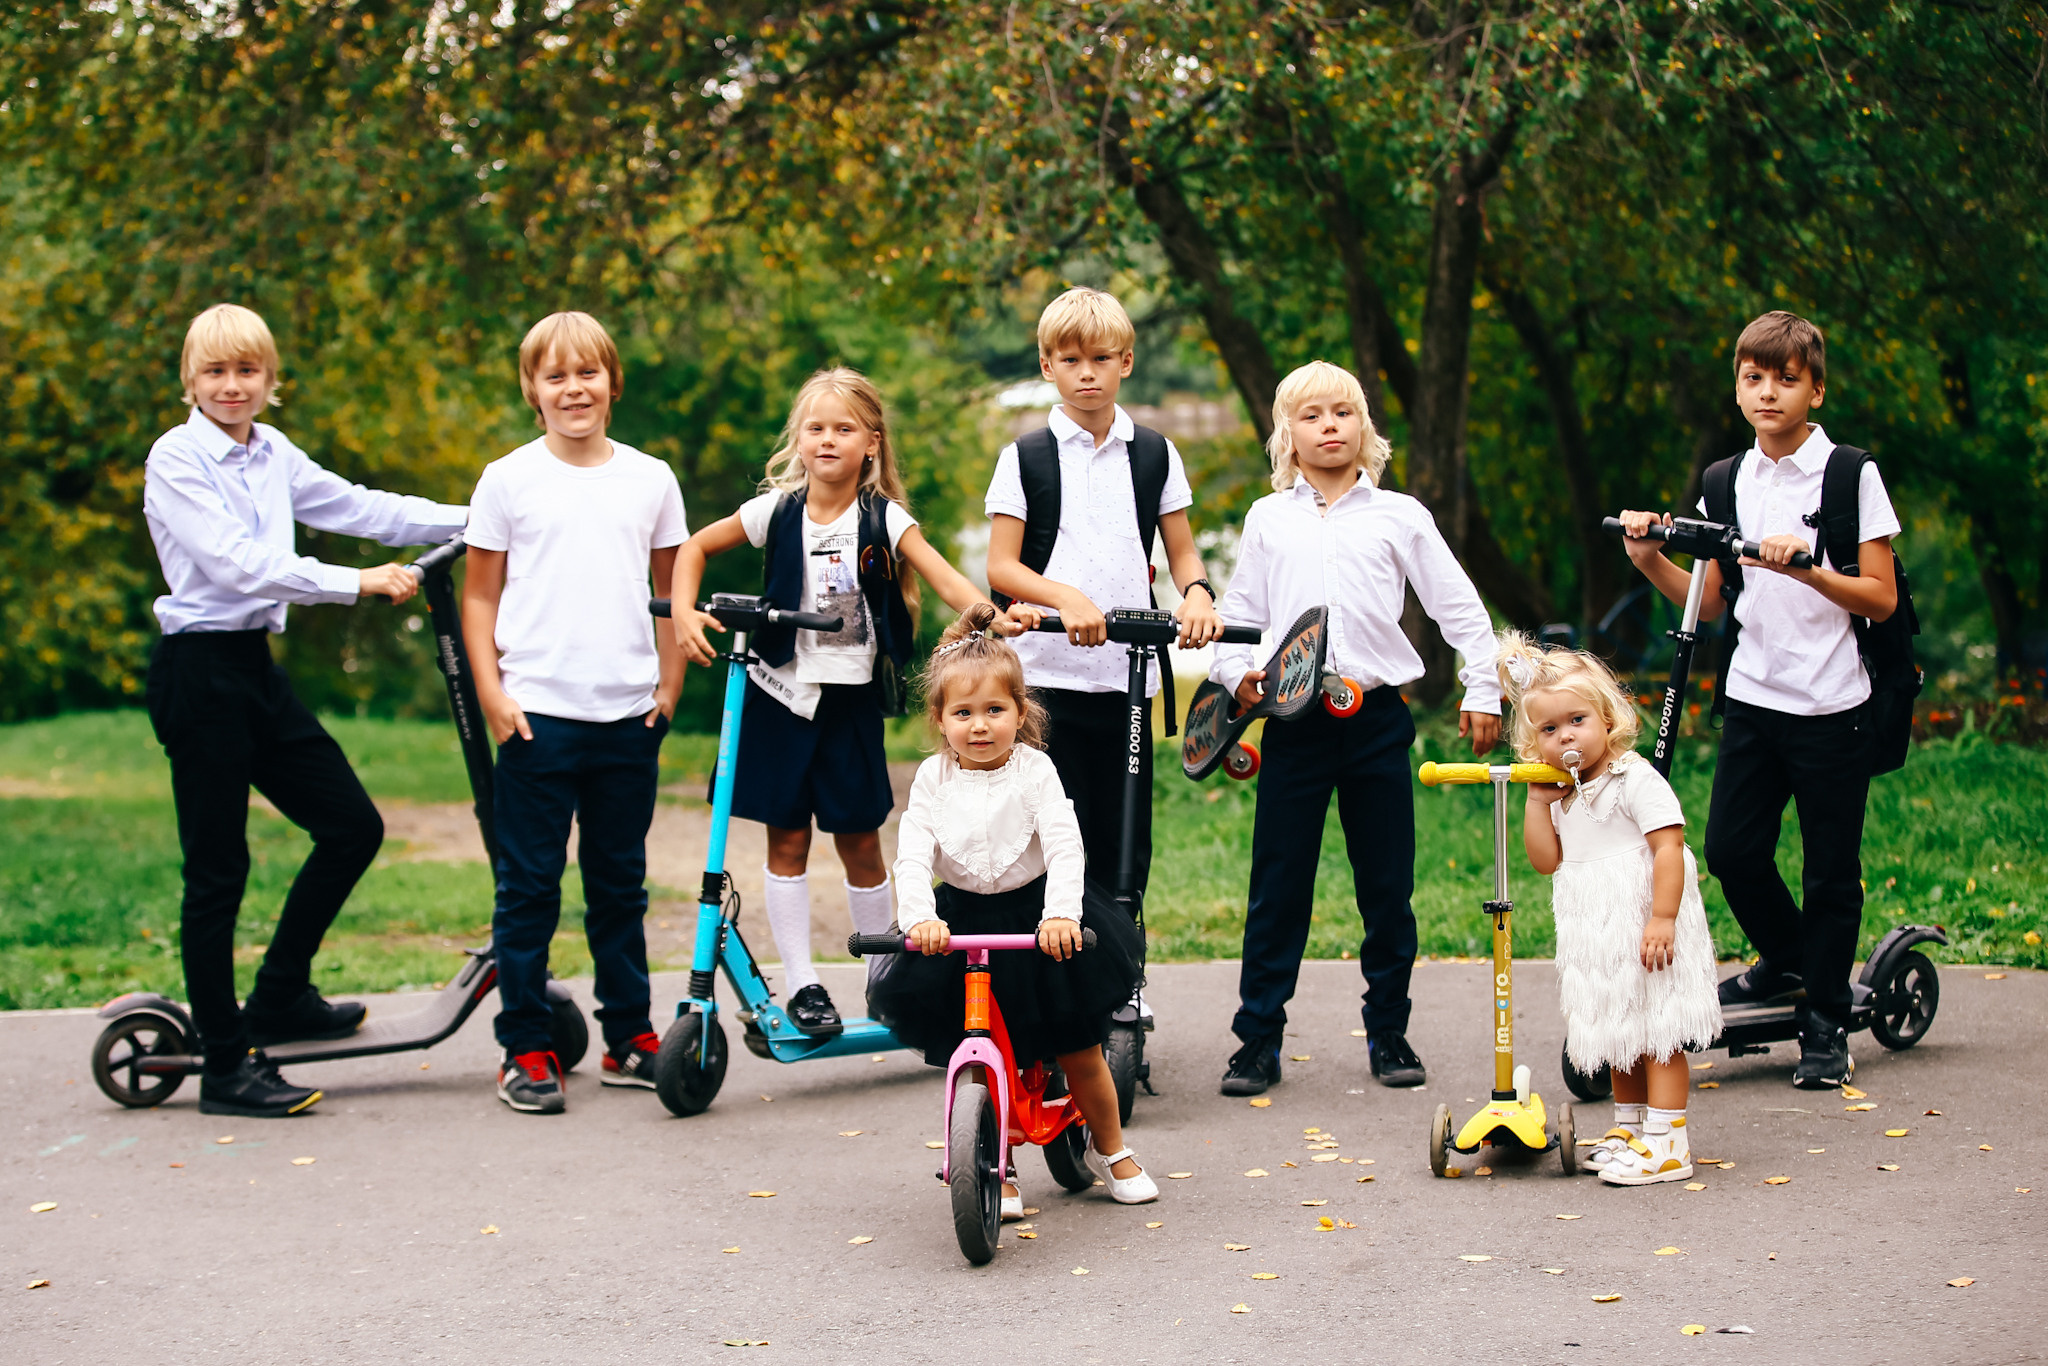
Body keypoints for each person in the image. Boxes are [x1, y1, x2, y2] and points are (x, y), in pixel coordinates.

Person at [142, 303, 467, 1118]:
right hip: (199, 675)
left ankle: (280, 995)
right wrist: (355, 582)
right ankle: (225, 1066)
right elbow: (236, 564)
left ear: (269, 380)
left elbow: (361, 508)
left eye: (247, 370)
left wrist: (484, 519)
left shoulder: (271, 452)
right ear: (191, 380)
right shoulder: (176, 458)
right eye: (216, 371)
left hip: (253, 670)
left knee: (352, 826)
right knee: (218, 872)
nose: (232, 385)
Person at [670, 369, 1029, 1035]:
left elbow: (942, 574)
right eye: (816, 428)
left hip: (849, 703)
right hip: (780, 694)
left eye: (844, 428)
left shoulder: (881, 517)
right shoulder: (776, 511)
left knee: (860, 843)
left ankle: (884, 984)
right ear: (799, 440)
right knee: (787, 840)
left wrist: (987, 612)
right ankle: (803, 985)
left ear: (871, 443)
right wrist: (685, 612)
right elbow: (694, 546)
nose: (828, 439)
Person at [1618, 311, 1900, 1090]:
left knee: (1829, 872)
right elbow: (1710, 602)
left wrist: (1809, 571)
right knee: (1732, 851)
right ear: (1738, 389)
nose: (1768, 392)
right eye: (1754, 378)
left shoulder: (1848, 475)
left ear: (1816, 389)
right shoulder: (1725, 481)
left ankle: (1825, 1022)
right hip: (1753, 699)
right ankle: (1790, 960)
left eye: (1786, 379)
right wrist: (1649, 558)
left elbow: (1880, 598)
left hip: (1834, 705)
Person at [1209, 361, 1502, 1096]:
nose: (1329, 426)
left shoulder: (1401, 515)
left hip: (1376, 720)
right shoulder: (1268, 518)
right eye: (1311, 416)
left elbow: (1459, 607)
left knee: (1386, 886)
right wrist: (1233, 672)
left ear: (1363, 424)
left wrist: (1484, 688)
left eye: (1342, 412)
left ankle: (1389, 1032)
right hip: (1292, 721)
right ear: (1288, 434)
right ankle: (1257, 1040)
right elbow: (1239, 615)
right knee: (1278, 888)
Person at [463, 311, 687, 1113]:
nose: (573, 389)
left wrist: (668, 687)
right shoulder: (507, 479)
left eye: (587, 373)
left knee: (619, 888)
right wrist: (494, 694)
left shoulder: (651, 479)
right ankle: (526, 1046)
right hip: (537, 718)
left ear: (612, 382)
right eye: (555, 376)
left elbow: (671, 590)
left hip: (628, 718)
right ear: (533, 390)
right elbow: (479, 595)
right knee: (529, 890)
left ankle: (628, 1036)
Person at [983, 287, 1225, 1030]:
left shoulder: (1154, 453)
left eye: (1100, 359)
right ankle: (1048, 989)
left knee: (1125, 843)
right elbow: (1002, 566)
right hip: (1044, 680)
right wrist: (1066, 597)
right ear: (1047, 366)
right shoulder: (1025, 457)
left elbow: (1182, 551)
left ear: (1126, 362)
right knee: (1052, 835)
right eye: (1070, 360)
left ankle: (1122, 979)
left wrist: (1198, 594)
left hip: (1126, 679)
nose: (1086, 373)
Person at [868, 604, 1155, 1215]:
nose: (979, 726)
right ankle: (995, 1163)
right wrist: (919, 917)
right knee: (977, 1054)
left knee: (1079, 1046)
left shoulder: (1035, 769)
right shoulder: (932, 778)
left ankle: (1110, 1148)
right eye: (963, 713)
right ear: (940, 719)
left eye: (995, 710)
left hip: (1038, 919)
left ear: (1021, 713)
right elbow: (913, 852)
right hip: (960, 922)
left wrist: (1062, 914)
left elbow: (1065, 845)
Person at [1497, 632, 1722, 1185]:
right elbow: (1545, 861)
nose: (1565, 736)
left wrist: (1662, 917)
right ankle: (1631, 1126)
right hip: (1596, 931)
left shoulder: (1632, 777)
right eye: (1549, 729)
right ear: (1533, 741)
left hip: (1644, 922)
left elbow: (1668, 846)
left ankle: (1668, 1142)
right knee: (1619, 1029)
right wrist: (1536, 804)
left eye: (1577, 720)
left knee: (1657, 1031)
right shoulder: (1561, 792)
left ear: (1607, 717)